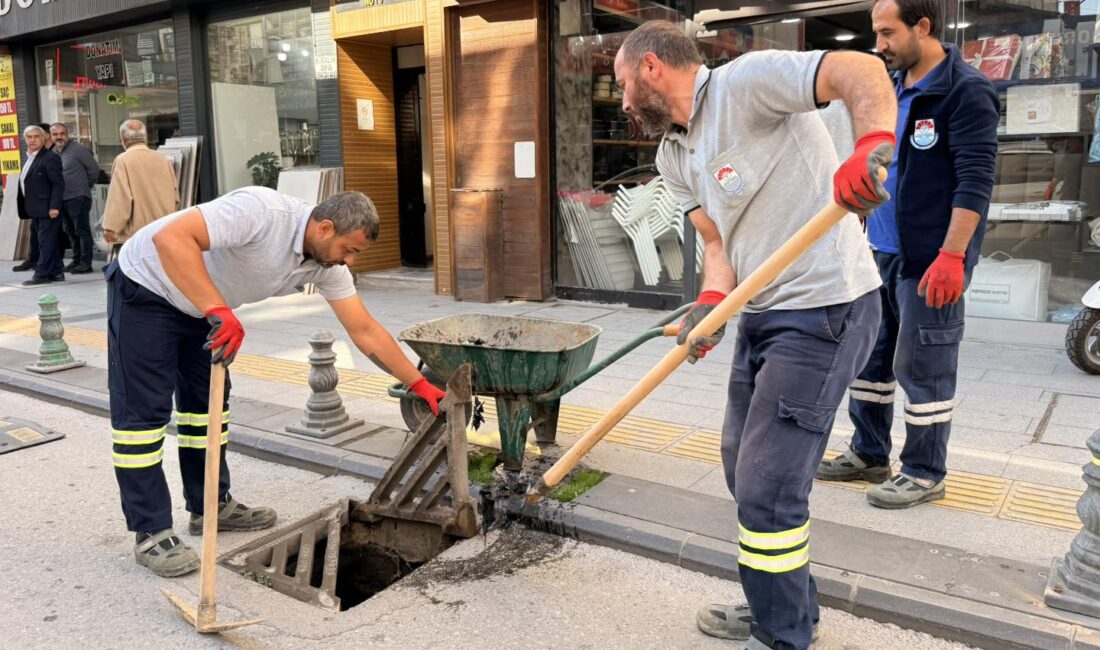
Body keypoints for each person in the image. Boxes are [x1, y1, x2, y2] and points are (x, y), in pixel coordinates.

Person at [614, 21, 897, 649]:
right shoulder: (672, 155)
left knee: (768, 486)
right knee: (742, 468)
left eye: (623, 84)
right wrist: (712, 305)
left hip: (829, 307)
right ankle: (784, 603)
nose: (624, 102)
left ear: (651, 66)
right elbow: (718, 245)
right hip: (763, 310)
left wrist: (871, 145)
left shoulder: (746, 84)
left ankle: (781, 634)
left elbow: (862, 72)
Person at [106, 186, 446, 578]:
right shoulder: (261, 212)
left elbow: (365, 330)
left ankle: (210, 506)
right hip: (148, 288)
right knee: (142, 418)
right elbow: (171, 237)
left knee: (207, 410)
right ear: (325, 228)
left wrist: (417, 384)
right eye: (349, 250)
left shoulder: (327, 266)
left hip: (202, 304)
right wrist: (217, 309)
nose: (349, 262)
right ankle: (150, 530)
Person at [816, 0, 999, 508]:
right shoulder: (891, 89)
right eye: (876, 33)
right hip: (879, 254)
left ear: (923, 26)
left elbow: (975, 183)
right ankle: (869, 452)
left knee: (924, 366)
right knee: (870, 361)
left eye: (888, 32)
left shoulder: (964, 91)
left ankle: (923, 471)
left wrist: (952, 257)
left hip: (929, 259)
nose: (880, 44)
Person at [102, 119, 179, 248]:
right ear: (145, 138)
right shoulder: (162, 159)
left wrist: (111, 227)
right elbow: (175, 196)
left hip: (135, 235)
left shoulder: (123, 160)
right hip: (162, 230)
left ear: (123, 138)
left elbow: (120, 198)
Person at [16, 125, 65, 286]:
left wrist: (54, 207)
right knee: (48, 240)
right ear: (25, 140)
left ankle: (42, 274)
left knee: (46, 242)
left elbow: (58, 184)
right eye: (29, 137)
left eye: (36, 136)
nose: (33, 140)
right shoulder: (30, 157)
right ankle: (57, 272)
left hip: (48, 209)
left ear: (44, 138)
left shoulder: (50, 157)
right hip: (35, 209)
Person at [50, 123, 101, 274]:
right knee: (69, 231)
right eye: (55, 134)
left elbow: (94, 170)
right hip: (62, 199)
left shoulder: (78, 150)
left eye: (62, 133)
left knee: (81, 230)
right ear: (51, 136)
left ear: (67, 134)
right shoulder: (53, 152)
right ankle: (76, 260)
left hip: (78, 197)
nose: (59, 137)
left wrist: (86, 186)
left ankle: (86, 263)